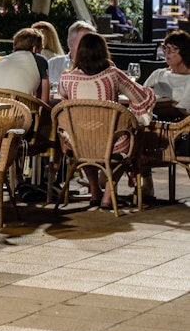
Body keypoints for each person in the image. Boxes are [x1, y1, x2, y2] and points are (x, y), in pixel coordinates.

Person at [58, 32, 155, 207]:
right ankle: (108, 195)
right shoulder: (112, 74)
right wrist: (150, 92)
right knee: (132, 136)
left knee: (84, 139)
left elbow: (62, 97)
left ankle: (95, 191)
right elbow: (140, 97)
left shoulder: (66, 77)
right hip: (111, 144)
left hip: (79, 143)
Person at [0, 27, 50, 103]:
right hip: (20, 110)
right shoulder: (39, 60)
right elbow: (44, 100)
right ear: (34, 48)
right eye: (41, 49)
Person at [143, 30, 190, 117]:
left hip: (177, 127)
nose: (167, 52)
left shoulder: (188, 79)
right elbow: (140, 98)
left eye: (173, 49)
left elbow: (183, 111)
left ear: (185, 51)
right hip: (149, 121)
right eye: (166, 48)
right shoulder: (158, 74)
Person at [47, 20, 96, 92]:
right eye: (84, 41)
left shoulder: (99, 66)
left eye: (92, 41)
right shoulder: (52, 64)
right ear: (71, 43)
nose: (89, 45)